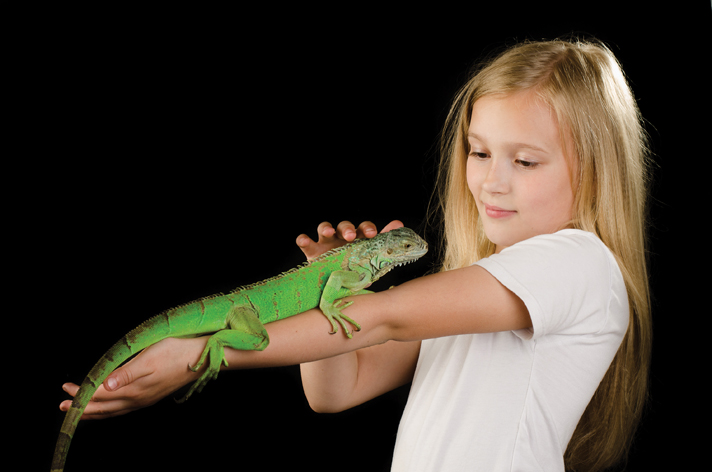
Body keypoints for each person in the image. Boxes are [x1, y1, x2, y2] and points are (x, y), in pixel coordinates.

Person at [59, 38, 652, 471]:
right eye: (478, 152)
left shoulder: (579, 264)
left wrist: (200, 356)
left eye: (524, 161)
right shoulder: (477, 287)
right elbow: (335, 390)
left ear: (597, 172)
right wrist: (327, 278)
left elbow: (383, 316)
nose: (492, 182)